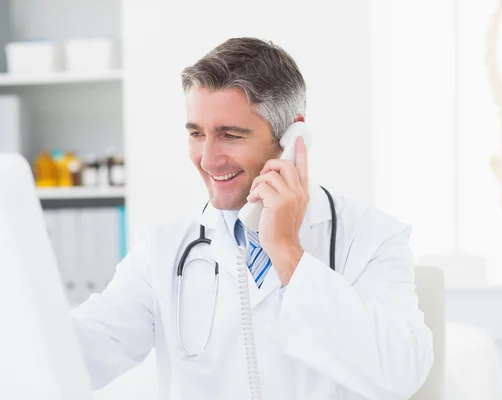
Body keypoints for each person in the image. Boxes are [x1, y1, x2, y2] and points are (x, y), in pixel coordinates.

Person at [71, 37, 434, 400]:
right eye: (197, 134)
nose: (208, 160)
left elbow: (401, 373)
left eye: (230, 135)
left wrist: (288, 254)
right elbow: (81, 352)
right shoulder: (164, 250)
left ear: (292, 137)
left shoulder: (371, 238)